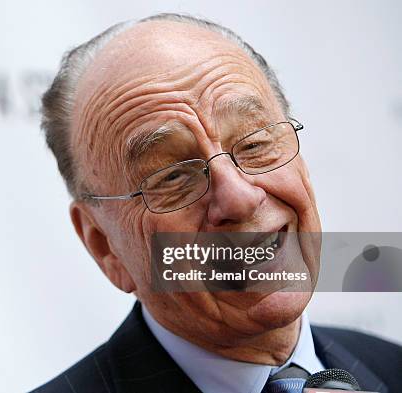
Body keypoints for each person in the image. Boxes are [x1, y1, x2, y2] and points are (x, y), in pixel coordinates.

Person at [31, 13, 402, 393]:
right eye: (172, 176)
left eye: (256, 144)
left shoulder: (391, 367)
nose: (240, 199)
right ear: (104, 245)